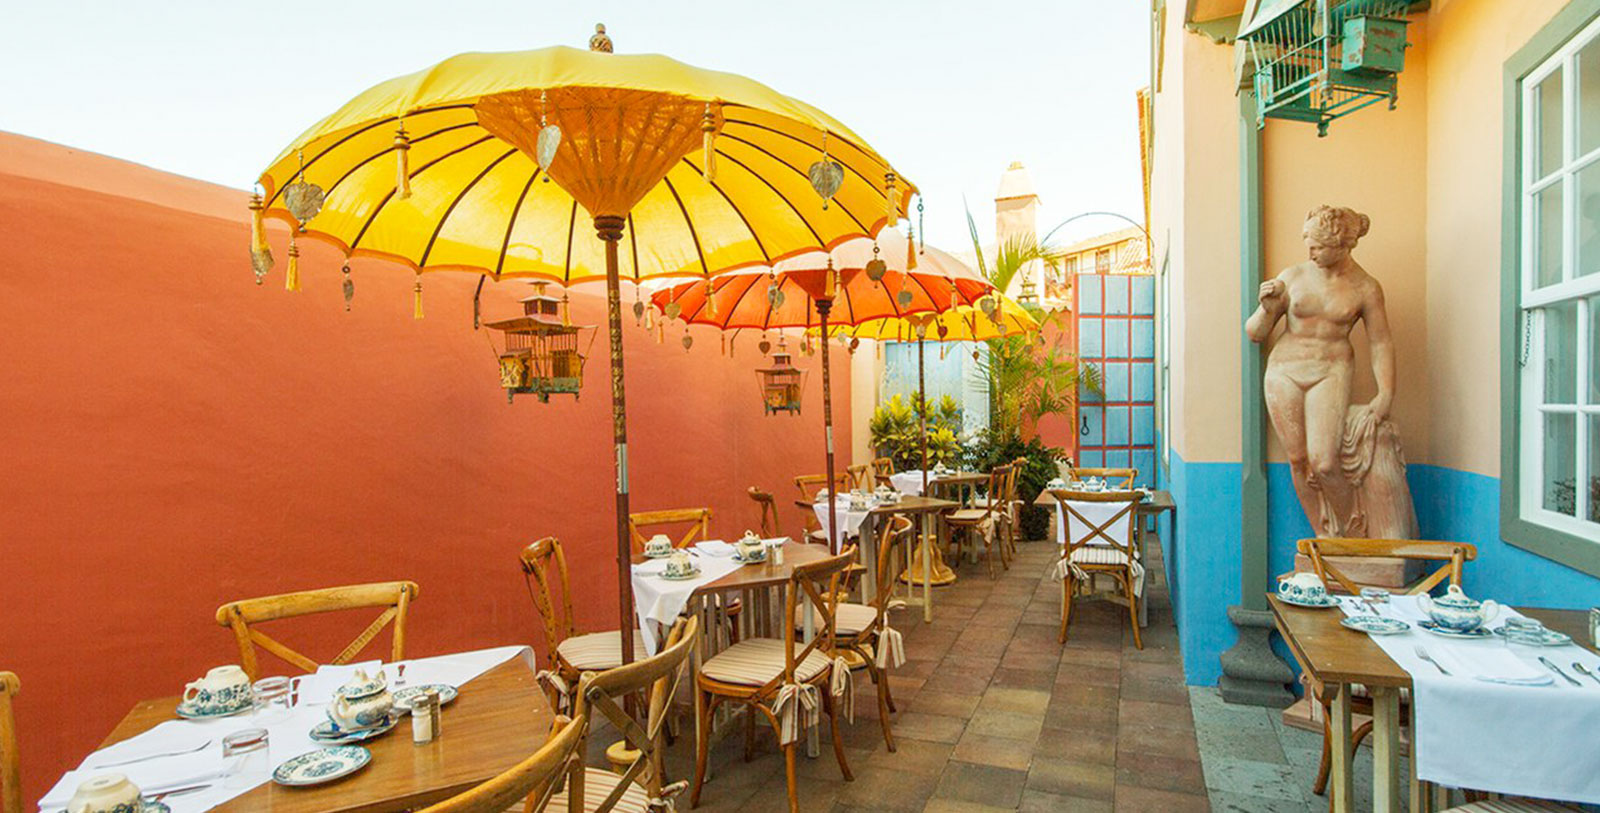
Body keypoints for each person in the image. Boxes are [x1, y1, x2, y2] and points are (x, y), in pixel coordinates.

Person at [1245, 205, 1396, 536]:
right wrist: (1267, 308)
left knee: (1325, 462)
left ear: (1343, 245)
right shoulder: (1292, 277)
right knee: (1298, 460)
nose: (1309, 252)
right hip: (1284, 371)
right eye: (1307, 243)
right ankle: (1324, 537)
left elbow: (1380, 343)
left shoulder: (1366, 287)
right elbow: (1256, 333)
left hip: (1331, 370)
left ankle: (1351, 531)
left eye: (1318, 246)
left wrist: (1386, 392)